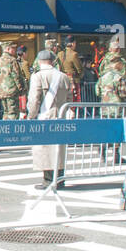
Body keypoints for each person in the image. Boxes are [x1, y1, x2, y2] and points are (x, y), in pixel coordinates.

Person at [28, 50, 73, 188]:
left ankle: (48, 180)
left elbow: (34, 99)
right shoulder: (63, 76)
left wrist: (31, 116)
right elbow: (69, 98)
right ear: (53, 61)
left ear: (39, 61)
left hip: (45, 116)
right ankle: (60, 178)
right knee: (59, 149)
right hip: (61, 115)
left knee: (45, 149)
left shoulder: (38, 76)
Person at [0, 40, 24, 119]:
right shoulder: (12, 60)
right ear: (8, 49)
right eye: (13, 48)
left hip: (1, 91)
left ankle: (5, 125)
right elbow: (16, 76)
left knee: (5, 112)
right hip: (12, 91)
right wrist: (21, 88)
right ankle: (13, 126)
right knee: (13, 112)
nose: (14, 50)